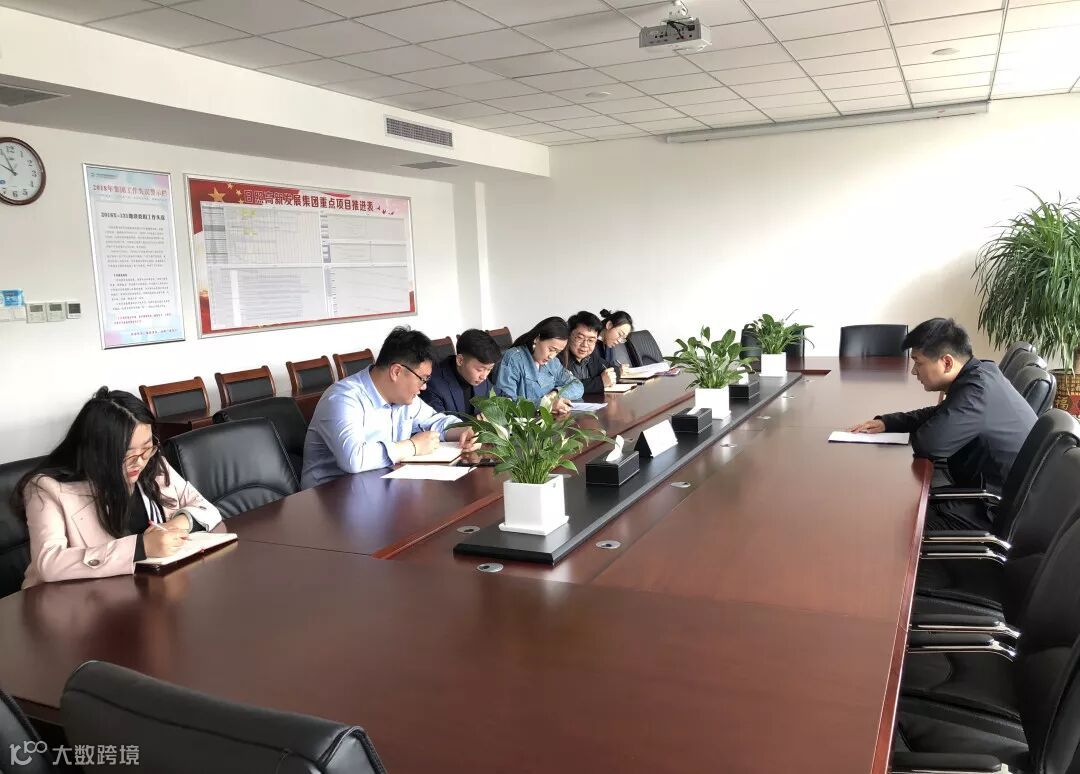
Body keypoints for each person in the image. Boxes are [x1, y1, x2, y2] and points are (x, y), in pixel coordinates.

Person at [16, 388, 222, 589]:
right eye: (127, 453)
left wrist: (177, 524)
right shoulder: (46, 488)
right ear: (96, 450)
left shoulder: (153, 463)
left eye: (147, 447)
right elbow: (48, 563)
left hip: (148, 590)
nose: (139, 461)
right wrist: (141, 547)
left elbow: (206, 508)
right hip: (75, 601)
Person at [849, 318, 1037, 531]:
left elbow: (928, 444)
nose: (914, 371)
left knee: (891, 525)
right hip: (992, 493)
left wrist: (912, 426)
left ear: (947, 362)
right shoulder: (982, 371)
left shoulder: (976, 393)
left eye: (918, 363)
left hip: (993, 510)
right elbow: (941, 412)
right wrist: (888, 422)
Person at [302, 327, 477, 487]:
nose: (424, 387)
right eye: (422, 379)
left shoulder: (404, 398)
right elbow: (353, 458)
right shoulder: (342, 398)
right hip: (330, 497)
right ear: (396, 372)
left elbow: (435, 421)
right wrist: (413, 446)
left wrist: (464, 430)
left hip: (380, 486)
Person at [494, 317, 584, 417]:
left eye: (557, 352)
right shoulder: (513, 359)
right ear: (537, 339)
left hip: (549, 421)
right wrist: (547, 404)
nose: (552, 356)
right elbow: (505, 405)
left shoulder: (553, 363)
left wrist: (555, 394)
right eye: (551, 349)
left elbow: (577, 386)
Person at [422, 328, 500, 416]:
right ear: (460, 360)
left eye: (489, 369)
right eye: (479, 369)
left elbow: (500, 394)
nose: (484, 377)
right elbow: (437, 422)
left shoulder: (481, 376)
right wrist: (477, 421)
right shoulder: (433, 385)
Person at [563, 311, 618, 394]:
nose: (585, 345)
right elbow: (562, 388)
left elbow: (615, 369)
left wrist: (609, 377)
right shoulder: (558, 358)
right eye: (580, 338)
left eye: (591, 340)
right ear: (569, 335)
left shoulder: (591, 357)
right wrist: (600, 382)